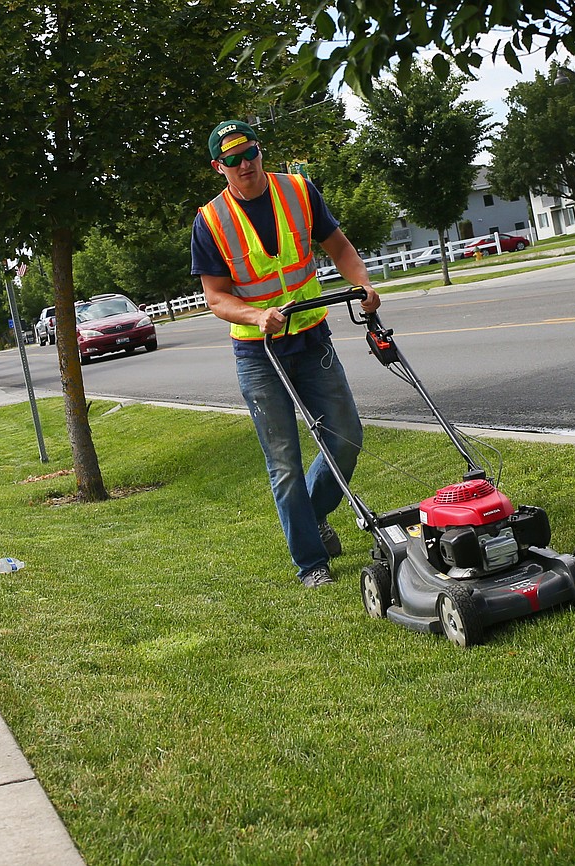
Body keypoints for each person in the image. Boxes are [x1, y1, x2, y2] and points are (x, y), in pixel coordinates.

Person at [191, 119, 381, 589]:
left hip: (312, 336)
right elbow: (215, 297)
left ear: (260, 151)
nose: (245, 164)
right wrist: (256, 315)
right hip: (259, 354)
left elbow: (339, 247)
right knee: (284, 462)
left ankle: (311, 516)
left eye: (250, 153)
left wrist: (363, 284)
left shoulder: (298, 191)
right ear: (220, 167)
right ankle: (311, 564)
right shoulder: (210, 221)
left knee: (346, 436)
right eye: (233, 159)